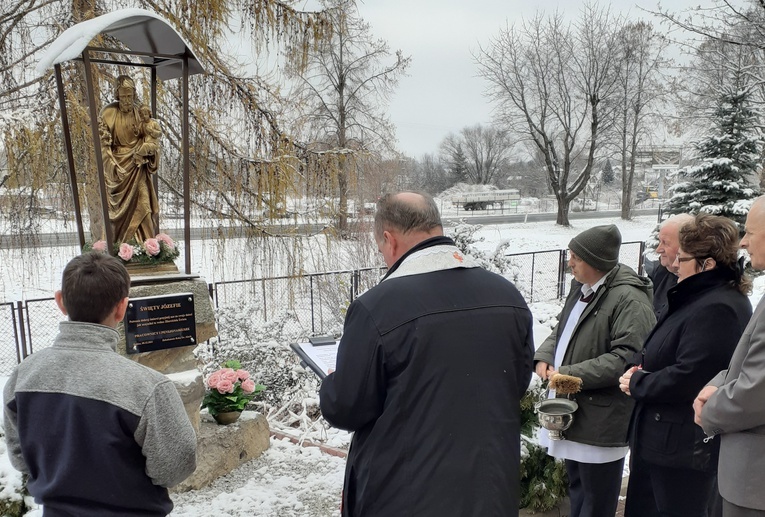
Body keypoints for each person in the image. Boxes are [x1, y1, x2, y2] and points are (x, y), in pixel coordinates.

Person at [319, 191, 534, 517]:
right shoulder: (508, 297)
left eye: (381, 250)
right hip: (491, 491)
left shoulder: (375, 308)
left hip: (405, 496)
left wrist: (332, 384)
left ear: (389, 240)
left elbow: (347, 408)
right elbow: (514, 383)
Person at [3, 252, 197, 516]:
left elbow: (20, 457)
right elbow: (176, 464)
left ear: (60, 301)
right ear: (122, 307)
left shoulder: (22, 377)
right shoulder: (148, 387)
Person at [619, 214, 752, 517]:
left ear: (707, 264)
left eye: (683, 258)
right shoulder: (695, 296)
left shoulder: (719, 307)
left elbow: (692, 377)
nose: (676, 265)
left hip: (680, 453)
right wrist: (636, 364)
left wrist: (636, 383)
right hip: (661, 443)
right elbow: (659, 345)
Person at [534, 224, 655, 517]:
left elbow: (627, 358)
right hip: (575, 412)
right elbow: (562, 330)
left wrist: (566, 375)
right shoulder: (582, 288)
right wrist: (544, 357)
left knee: (596, 500)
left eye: (575, 256)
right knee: (578, 489)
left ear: (595, 261)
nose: (570, 262)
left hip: (602, 419)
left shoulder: (630, 299)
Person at [694, 196, 765, 517]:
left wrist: (710, 411)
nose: (744, 242)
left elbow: (756, 390)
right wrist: (719, 384)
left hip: (754, 482)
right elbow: (747, 356)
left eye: (750, 233)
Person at [98, 75, 159, 244]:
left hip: (137, 167)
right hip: (118, 168)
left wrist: (149, 152)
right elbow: (103, 146)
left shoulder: (141, 113)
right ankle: (118, 246)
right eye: (123, 96)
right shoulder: (108, 113)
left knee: (144, 206)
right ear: (117, 95)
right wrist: (112, 166)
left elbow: (150, 138)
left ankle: (147, 246)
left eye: (129, 96)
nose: (127, 100)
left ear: (134, 95)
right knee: (116, 214)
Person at [644, 213, 694, 319]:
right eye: (659, 241)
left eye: (665, 243)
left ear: (686, 247)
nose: (658, 250)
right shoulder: (659, 273)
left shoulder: (700, 289)